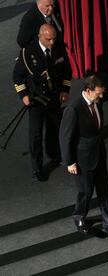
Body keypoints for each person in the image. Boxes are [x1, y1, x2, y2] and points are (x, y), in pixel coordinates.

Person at [59, 74, 108, 238]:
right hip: (82, 160)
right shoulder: (73, 109)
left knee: (105, 191)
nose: (101, 96)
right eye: (98, 93)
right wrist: (69, 162)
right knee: (86, 192)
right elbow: (65, 137)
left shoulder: (96, 103)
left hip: (99, 155)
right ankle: (79, 217)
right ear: (88, 91)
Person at [13, 24, 71, 181]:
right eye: (48, 39)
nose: (52, 42)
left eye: (53, 39)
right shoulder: (28, 53)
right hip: (36, 100)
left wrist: (65, 90)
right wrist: (24, 95)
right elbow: (18, 77)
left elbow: (67, 70)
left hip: (54, 98)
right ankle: (37, 167)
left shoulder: (59, 48)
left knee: (55, 128)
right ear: (40, 36)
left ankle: (55, 155)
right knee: (36, 135)